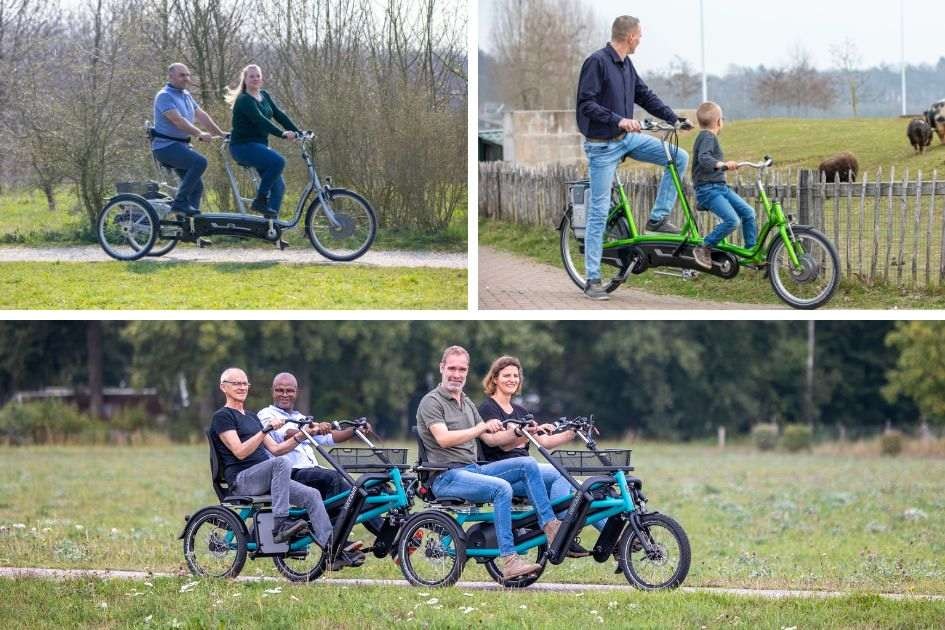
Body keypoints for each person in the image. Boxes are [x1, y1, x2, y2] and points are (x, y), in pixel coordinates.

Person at [416, 346, 563, 581]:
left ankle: (550, 525)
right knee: (501, 488)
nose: (457, 374)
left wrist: (522, 431)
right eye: (452, 368)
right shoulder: (431, 402)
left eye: (462, 369)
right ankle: (509, 560)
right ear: (442, 368)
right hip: (446, 475)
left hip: (472, 470)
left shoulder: (466, 402)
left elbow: (492, 439)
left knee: (527, 463)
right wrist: (480, 427)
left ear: (467, 371)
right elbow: (443, 439)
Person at [576, 15, 691, 300]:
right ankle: (592, 278)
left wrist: (673, 118)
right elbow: (585, 103)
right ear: (629, 37)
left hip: (627, 139)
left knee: (679, 157)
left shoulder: (627, 65)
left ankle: (657, 218)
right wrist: (618, 120)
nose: (641, 40)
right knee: (599, 211)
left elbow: (644, 95)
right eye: (639, 35)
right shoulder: (597, 62)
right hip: (602, 145)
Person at [209, 367, 360, 569]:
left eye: (245, 383)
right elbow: (240, 452)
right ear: (223, 387)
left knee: (312, 495)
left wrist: (301, 435)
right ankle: (281, 524)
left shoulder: (251, 417)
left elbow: (278, 450)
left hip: (264, 477)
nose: (242, 387)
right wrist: (266, 430)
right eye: (236, 383)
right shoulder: (223, 416)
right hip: (242, 480)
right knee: (281, 463)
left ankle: (332, 550)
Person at [477, 356, 599, 558]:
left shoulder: (521, 410)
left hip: (529, 470)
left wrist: (572, 432)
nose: (512, 379)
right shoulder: (487, 408)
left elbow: (544, 441)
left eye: (516, 376)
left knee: (581, 487)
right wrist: (523, 433)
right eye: (506, 375)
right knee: (564, 477)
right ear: (495, 379)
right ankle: (562, 534)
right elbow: (499, 442)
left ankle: (616, 540)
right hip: (503, 472)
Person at [258, 371, 383, 545]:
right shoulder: (267, 414)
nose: (284, 394)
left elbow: (329, 438)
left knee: (356, 490)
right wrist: (314, 429)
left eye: (289, 390)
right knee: (336, 479)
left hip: (312, 472)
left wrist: (354, 431)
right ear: (272, 391)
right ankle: (334, 542)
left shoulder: (299, 417)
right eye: (280, 390)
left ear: (296, 392)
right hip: (289, 474)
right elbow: (285, 434)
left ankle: (388, 538)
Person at [225, 64, 301, 218]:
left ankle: (270, 229)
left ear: (262, 78)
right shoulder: (244, 99)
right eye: (251, 76)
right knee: (278, 162)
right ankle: (260, 200)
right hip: (242, 147)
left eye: (258, 76)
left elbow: (279, 115)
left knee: (279, 187)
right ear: (245, 80)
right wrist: (282, 134)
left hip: (259, 147)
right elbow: (260, 120)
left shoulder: (264, 95)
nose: (255, 79)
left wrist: (298, 132)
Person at [151, 63, 227, 216]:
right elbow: (178, 120)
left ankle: (190, 228)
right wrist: (199, 133)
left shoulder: (186, 94)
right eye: (182, 75)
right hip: (166, 148)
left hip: (181, 147)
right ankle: (179, 203)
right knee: (200, 162)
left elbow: (201, 115)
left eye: (187, 75)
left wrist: (221, 133)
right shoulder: (164, 95)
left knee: (197, 187)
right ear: (171, 77)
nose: (186, 78)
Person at [690, 101, 758, 270]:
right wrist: (722, 164)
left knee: (749, 213)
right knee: (732, 220)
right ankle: (704, 247)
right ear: (719, 121)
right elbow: (704, 158)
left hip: (720, 188)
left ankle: (751, 253)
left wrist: (724, 166)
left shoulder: (707, 137)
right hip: (707, 189)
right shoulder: (707, 136)